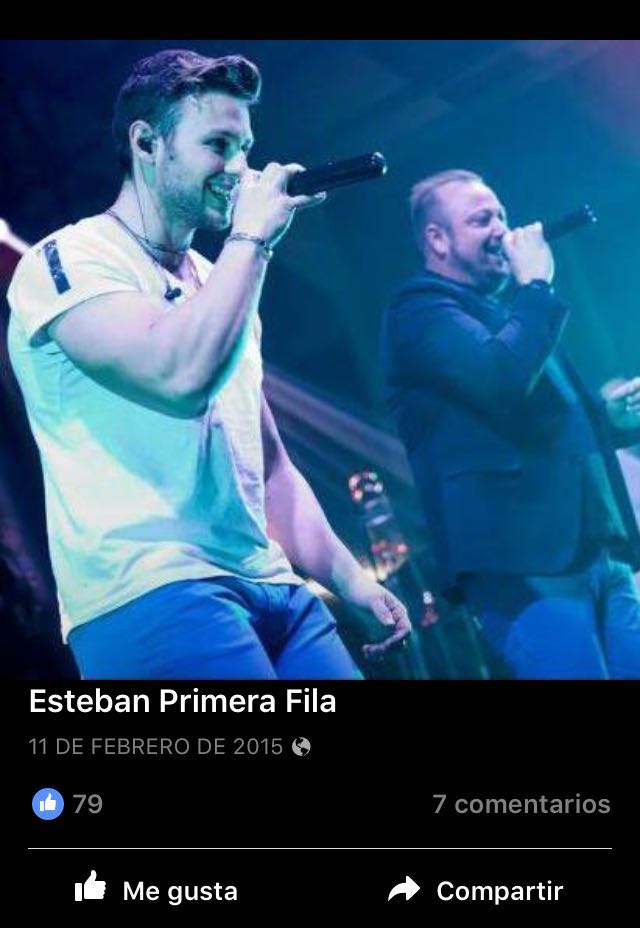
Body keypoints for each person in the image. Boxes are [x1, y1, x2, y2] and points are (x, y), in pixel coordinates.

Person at [7, 48, 410, 678]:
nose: (239, 169)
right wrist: (252, 240)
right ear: (147, 143)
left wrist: (350, 579)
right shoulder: (68, 260)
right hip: (154, 590)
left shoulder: (218, 277)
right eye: (218, 145)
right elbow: (178, 378)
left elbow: (269, 468)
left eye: (245, 148)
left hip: (275, 587)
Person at [380, 169, 640, 679]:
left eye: (501, 215)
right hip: (522, 561)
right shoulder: (421, 309)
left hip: (596, 548)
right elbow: (500, 379)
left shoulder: (508, 311)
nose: (501, 228)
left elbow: (545, 423)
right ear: (438, 239)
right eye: (481, 220)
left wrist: (610, 418)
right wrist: (537, 285)